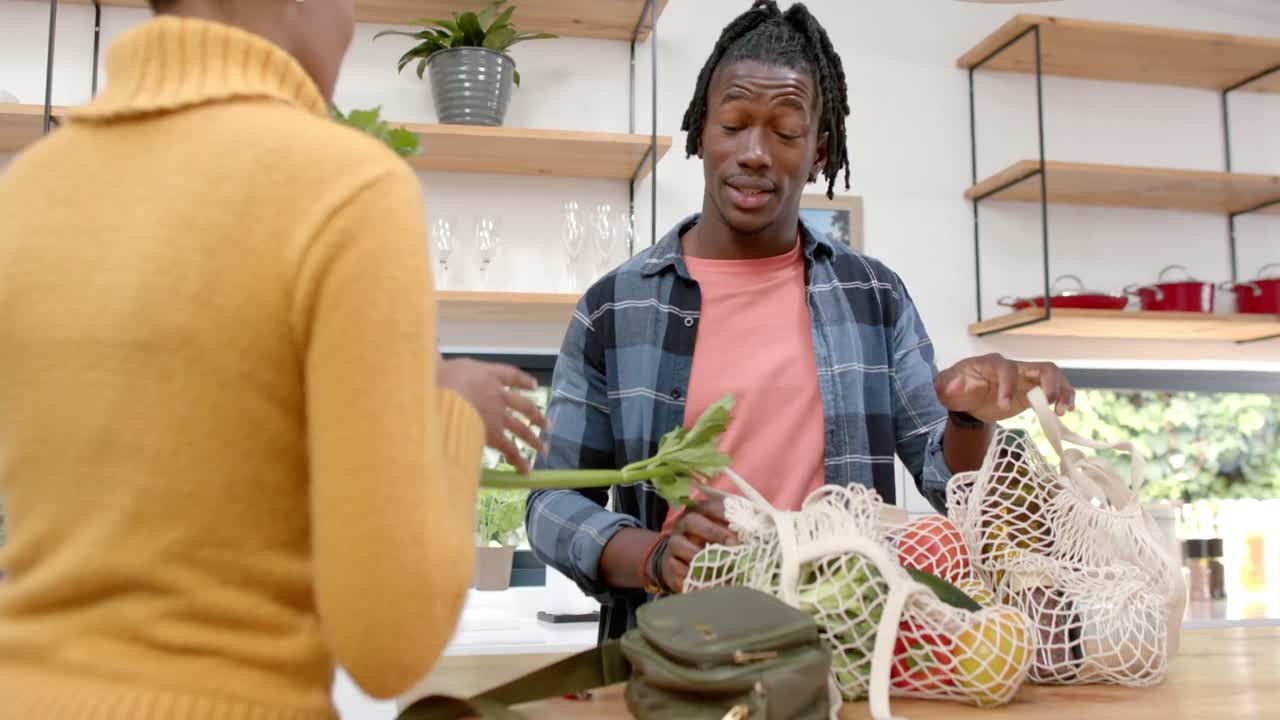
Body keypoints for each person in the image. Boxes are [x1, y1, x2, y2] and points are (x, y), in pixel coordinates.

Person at [0, 1, 545, 718]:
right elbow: (390, 643)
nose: (350, 24)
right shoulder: (347, 188)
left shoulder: (27, 189)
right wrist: (449, 413)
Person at [526, 0, 1076, 643]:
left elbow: (946, 478)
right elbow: (550, 502)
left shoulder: (874, 295)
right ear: (702, 131)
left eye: (785, 133)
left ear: (818, 152)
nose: (756, 152)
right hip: (673, 656)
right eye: (734, 123)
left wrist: (966, 416)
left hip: (849, 651)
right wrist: (651, 554)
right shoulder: (615, 308)